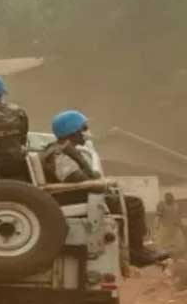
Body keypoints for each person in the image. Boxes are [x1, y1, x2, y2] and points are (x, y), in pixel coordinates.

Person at [42, 110, 168, 270]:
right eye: (83, 128)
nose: (85, 132)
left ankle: (136, 247)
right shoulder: (59, 155)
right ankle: (137, 252)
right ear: (72, 132)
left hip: (77, 194)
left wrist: (97, 179)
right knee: (134, 203)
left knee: (122, 197)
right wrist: (99, 183)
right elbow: (75, 180)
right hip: (73, 199)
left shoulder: (62, 150)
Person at [155, 193, 186, 259]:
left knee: (179, 246)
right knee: (163, 245)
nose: (169, 199)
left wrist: (181, 226)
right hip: (165, 228)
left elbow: (178, 217)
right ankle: (166, 257)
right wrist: (157, 224)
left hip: (175, 228)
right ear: (165, 199)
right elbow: (158, 216)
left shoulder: (176, 205)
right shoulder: (162, 205)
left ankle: (176, 258)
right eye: (167, 198)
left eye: (171, 198)